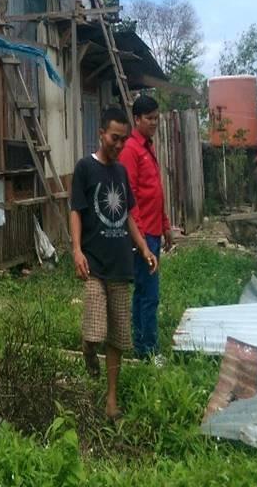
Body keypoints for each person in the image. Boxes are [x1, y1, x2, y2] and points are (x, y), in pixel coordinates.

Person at [71, 105, 157, 420]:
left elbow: (128, 217)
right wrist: (77, 250)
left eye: (123, 140)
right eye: (114, 138)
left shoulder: (120, 172)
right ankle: (87, 349)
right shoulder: (85, 168)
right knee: (95, 332)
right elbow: (77, 210)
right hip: (94, 263)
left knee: (119, 337)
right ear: (101, 134)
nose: (119, 145)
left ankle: (111, 400)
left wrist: (144, 248)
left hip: (121, 263)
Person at [118, 94, 174, 367]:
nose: (154, 122)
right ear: (137, 119)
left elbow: (156, 193)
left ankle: (141, 346)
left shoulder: (147, 148)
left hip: (153, 231)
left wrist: (165, 227)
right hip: (142, 235)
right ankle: (148, 351)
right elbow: (131, 198)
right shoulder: (131, 150)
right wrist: (140, 239)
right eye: (149, 118)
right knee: (148, 293)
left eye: (156, 118)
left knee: (143, 292)